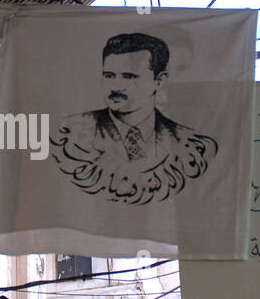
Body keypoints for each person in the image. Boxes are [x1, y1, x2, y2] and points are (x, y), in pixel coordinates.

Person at [51, 32, 216, 203]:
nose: (116, 86)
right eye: (109, 75)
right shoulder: (68, 135)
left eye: (129, 76)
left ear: (159, 81)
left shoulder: (187, 142)